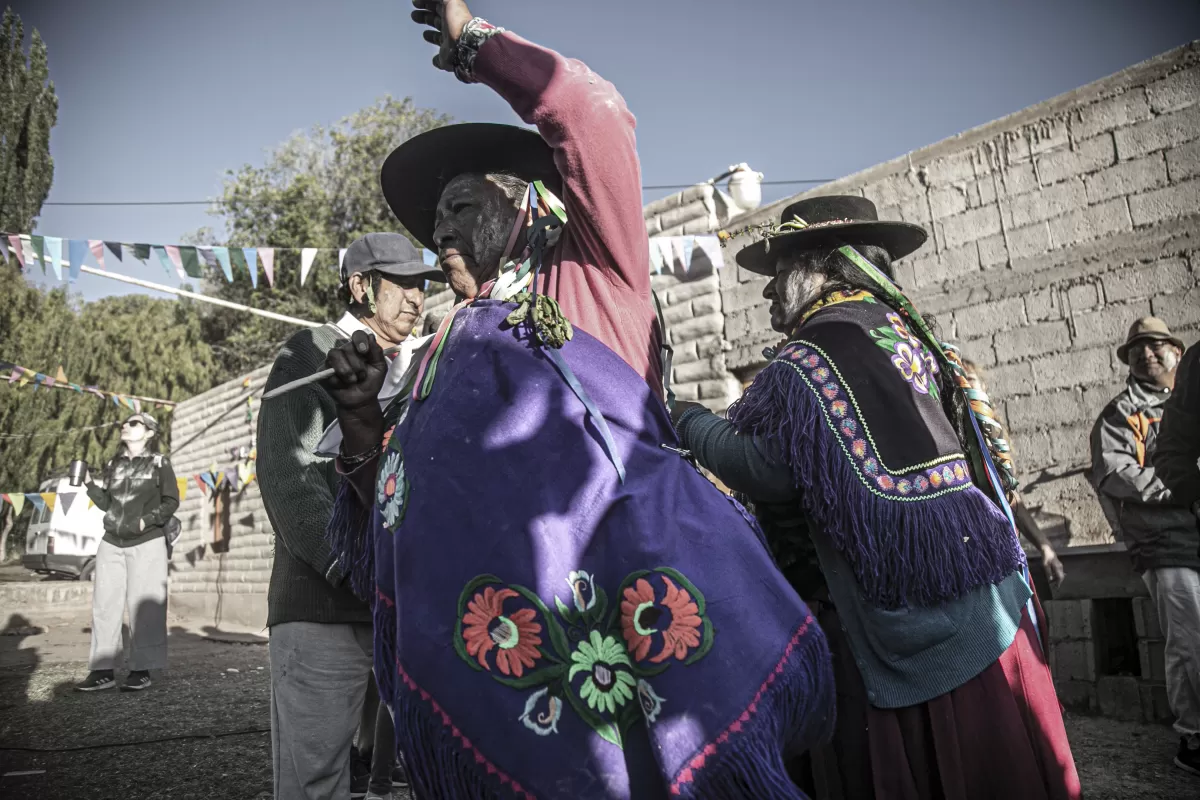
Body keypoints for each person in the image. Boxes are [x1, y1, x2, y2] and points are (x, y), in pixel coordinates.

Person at [320, 2, 835, 797]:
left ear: (525, 203)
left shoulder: (592, 276)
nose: (441, 231)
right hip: (515, 680)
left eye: (461, 207)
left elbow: (595, 115)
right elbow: (401, 508)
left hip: (638, 647)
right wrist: (360, 421)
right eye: (436, 221)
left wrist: (476, 45)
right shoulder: (437, 361)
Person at [671, 195, 1082, 799]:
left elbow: (770, 470)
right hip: (979, 595)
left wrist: (686, 419)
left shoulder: (815, 352)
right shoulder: (900, 333)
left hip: (902, 616)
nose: (768, 291)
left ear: (821, 267)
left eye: (780, 273)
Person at [257, 232, 440, 800]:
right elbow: (287, 476)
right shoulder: (308, 354)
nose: (416, 298)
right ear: (361, 286)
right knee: (315, 780)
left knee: (392, 779)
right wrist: (352, 567)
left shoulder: (425, 364)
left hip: (401, 610)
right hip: (323, 608)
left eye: (421, 285)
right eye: (401, 284)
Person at [1090, 317, 1200, 776]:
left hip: (1194, 528)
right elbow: (1116, 473)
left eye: (1155, 346)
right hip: (1163, 537)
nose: (1146, 354)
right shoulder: (1121, 413)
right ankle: (1194, 737)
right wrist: (1180, 486)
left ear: (1177, 352)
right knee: (1191, 636)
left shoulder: (1189, 398)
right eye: (1136, 349)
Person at [76, 412, 178, 693]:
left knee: (143, 606)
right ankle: (102, 671)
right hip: (111, 541)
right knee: (104, 605)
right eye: (124, 423)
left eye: (133, 423)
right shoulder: (114, 464)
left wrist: (146, 520)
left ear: (149, 432)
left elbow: (171, 501)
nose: (125, 426)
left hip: (147, 541)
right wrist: (89, 484)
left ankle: (141, 670)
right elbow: (107, 504)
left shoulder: (160, 463)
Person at [961, 359, 1066, 589]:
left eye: (970, 380)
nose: (965, 387)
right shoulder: (955, 436)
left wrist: (1044, 546)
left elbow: (1010, 497)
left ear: (984, 387)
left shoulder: (993, 435)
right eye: (959, 382)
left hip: (1003, 548)